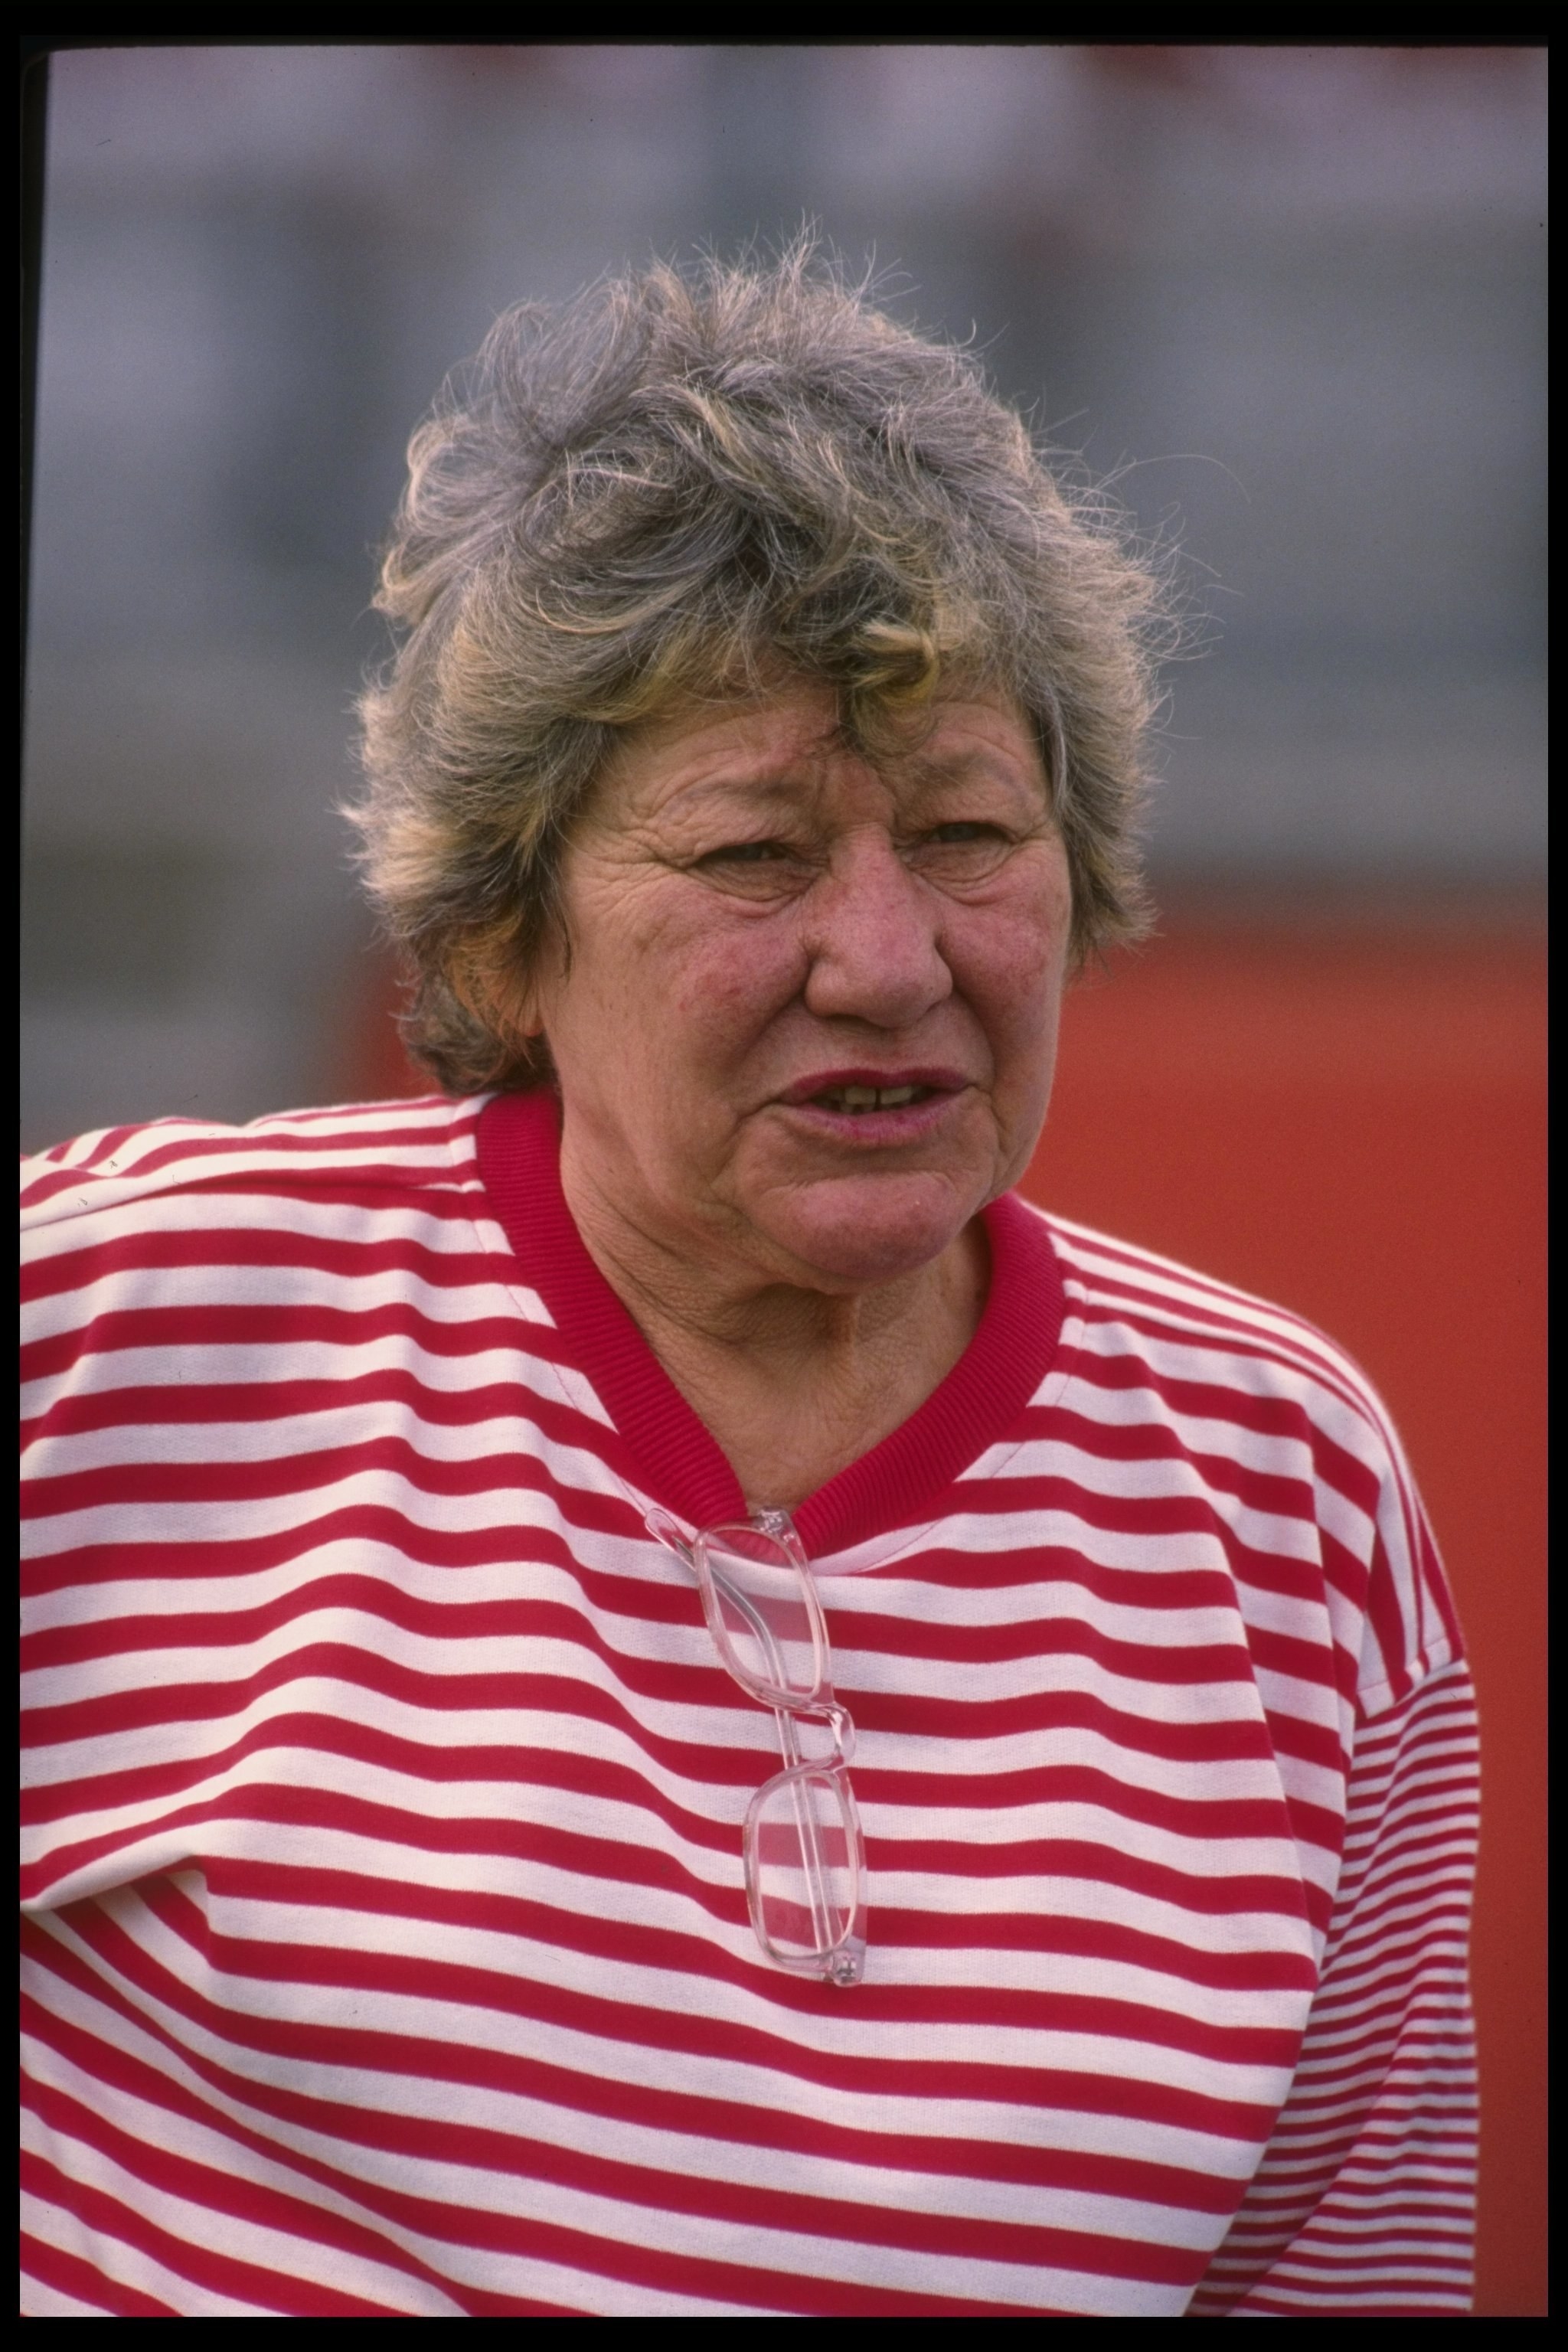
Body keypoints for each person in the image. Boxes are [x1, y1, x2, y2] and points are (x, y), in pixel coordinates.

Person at [21, 253, 1477, 2318]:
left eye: (972, 832)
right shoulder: (122, 1319)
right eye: (750, 856)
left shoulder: (1285, 1494)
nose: (888, 959)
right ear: (506, 935)